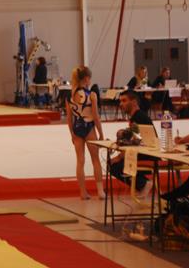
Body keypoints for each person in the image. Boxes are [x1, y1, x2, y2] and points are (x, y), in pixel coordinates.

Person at [66, 66, 105, 200]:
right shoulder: (91, 95)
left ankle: (83, 192)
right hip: (89, 128)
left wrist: (71, 133)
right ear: (87, 79)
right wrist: (101, 134)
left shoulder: (69, 95)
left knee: (80, 161)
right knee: (95, 160)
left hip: (77, 128)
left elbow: (69, 118)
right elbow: (96, 116)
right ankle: (100, 191)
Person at [109, 90, 154, 196]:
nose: (121, 104)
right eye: (120, 101)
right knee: (114, 164)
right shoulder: (136, 117)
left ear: (134, 102)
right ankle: (141, 184)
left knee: (115, 166)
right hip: (142, 153)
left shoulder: (139, 117)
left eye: (124, 101)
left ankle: (143, 184)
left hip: (148, 155)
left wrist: (119, 157)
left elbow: (135, 143)